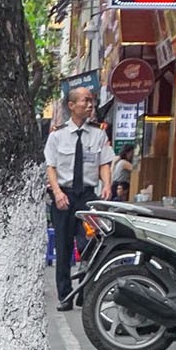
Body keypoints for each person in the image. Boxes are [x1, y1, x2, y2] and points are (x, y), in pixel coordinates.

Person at [44, 85, 111, 310]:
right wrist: (57, 192)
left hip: (88, 198)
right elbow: (50, 167)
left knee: (90, 246)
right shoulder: (57, 136)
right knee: (63, 250)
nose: (90, 105)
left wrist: (107, 185)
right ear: (72, 106)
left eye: (91, 101)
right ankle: (65, 297)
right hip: (64, 196)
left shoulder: (99, 134)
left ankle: (85, 293)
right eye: (85, 101)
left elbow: (104, 164)